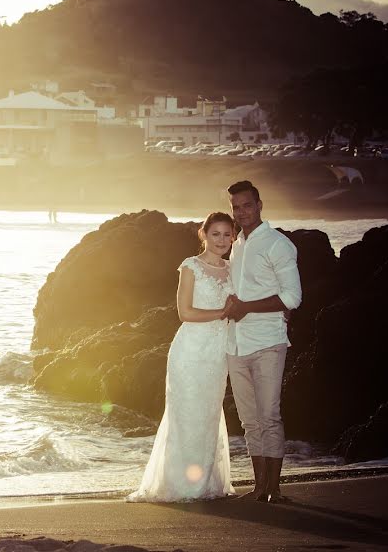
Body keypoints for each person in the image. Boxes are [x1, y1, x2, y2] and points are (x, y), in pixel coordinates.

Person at [128, 212, 236, 502]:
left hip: (217, 354)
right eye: (216, 234)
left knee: (209, 415)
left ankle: (205, 483)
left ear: (233, 237)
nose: (222, 240)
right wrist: (223, 313)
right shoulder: (191, 267)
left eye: (227, 234)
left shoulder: (233, 269)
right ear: (204, 234)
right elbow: (185, 312)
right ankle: (180, 486)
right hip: (189, 351)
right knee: (186, 414)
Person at [225, 181, 302, 503]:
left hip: (268, 342)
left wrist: (246, 307)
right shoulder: (236, 243)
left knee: (269, 416)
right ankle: (259, 487)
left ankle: (276, 488)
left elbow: (293, 298)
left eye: (247, 205)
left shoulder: (278, 244)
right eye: (236, 206)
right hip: (235, 345)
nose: (242, 212)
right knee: (249, 420)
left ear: (259, 204)